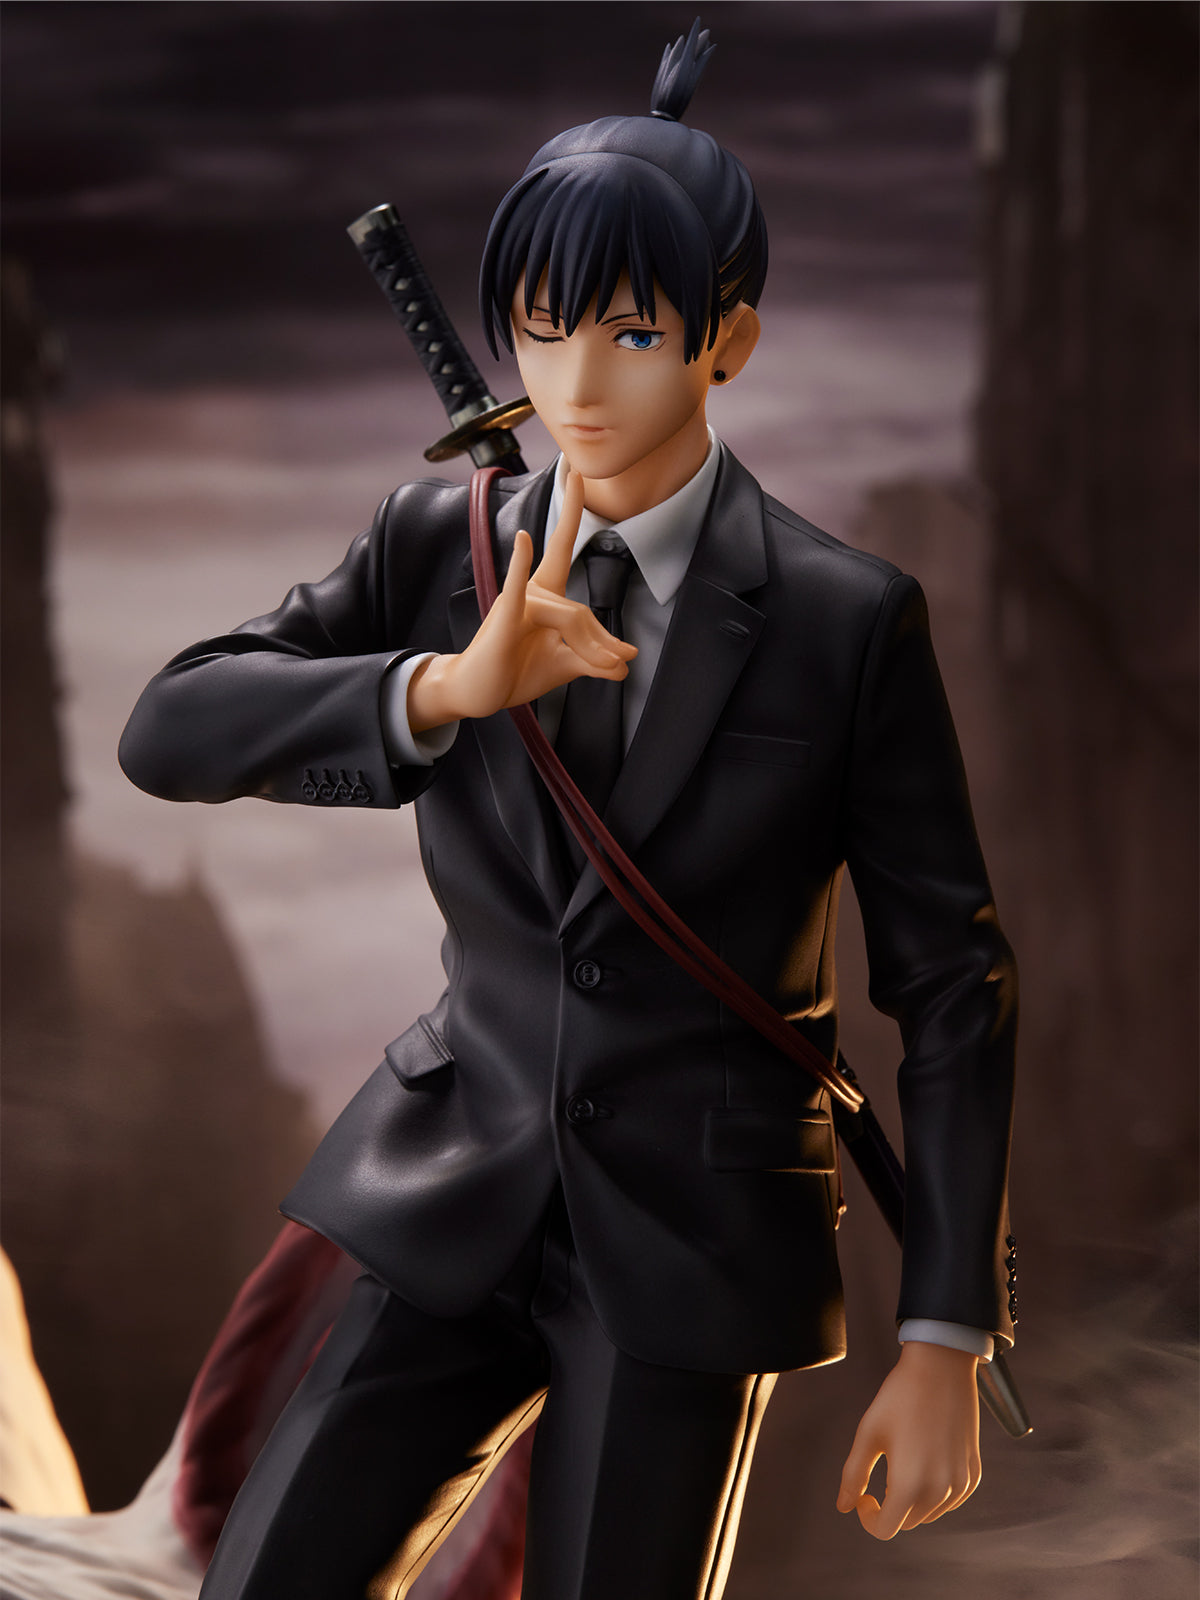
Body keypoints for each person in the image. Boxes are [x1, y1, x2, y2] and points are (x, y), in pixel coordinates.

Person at [119, 21, 1017, 1600]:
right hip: (447, 1188)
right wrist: (440, 687)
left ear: (729, 340)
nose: (577, 385)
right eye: (540, 330)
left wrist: (944, 1333)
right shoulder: (435, 548)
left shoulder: (843, 619)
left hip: (694, 1235)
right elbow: (169, 727)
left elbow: (951, 986)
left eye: (632, 333)